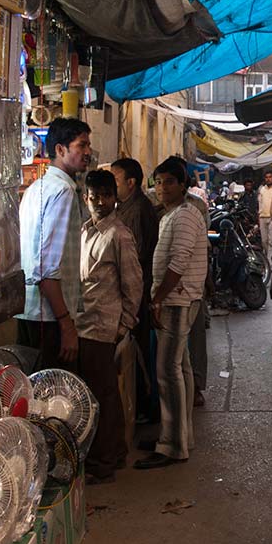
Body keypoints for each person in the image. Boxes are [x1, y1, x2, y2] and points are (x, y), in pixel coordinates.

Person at [136, 157, 209, 469]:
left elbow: (178, 264)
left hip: (178, 299)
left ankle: (173, 445)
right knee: (180, 368)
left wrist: (158, 299)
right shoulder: (172, 214)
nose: (162, 188)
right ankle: (179, 435)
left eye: (168, 182)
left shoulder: (185, 216)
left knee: (167, 370)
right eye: (158, 181)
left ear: (183, 185)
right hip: (176, 299)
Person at [77, 169, 142, 483]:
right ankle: (113, 453)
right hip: (84, 324)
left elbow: (134, 283)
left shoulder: (119, 234)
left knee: (103, 395)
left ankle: (105, 463)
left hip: (104, 327)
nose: (100, 202)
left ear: (115, 198)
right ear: (86, 198)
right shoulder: (86, 231)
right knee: (98, 393)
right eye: (94, 197)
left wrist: (124, 325)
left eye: (106, 196)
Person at [17, 117, 92, 368]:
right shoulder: (63, 192)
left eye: (88, 145)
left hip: (30, 310)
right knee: (52, 398)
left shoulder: (36, 187)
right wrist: (66, 324)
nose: (88, 152)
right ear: (60, 150)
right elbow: (48, 268)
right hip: (48, 316)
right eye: (81, 145)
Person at [111, 157, 160, 424]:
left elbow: (138, 257)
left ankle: (144, 407)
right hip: (131, 291)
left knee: (138, 352)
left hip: (137, 293)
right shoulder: (124, 208)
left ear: (131, 183)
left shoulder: (139, 210)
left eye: (115, 180)